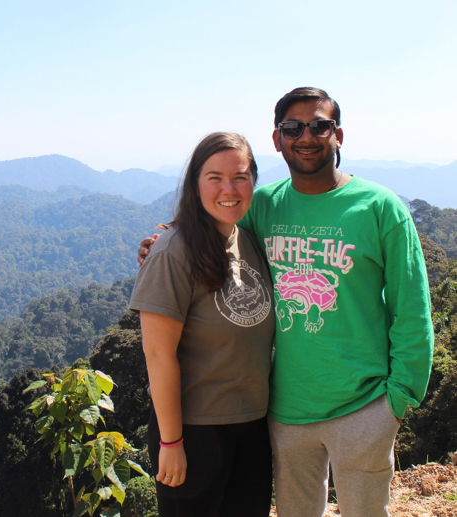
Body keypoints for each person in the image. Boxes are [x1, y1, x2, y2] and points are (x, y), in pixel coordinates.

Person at [138, 88, 434, 517]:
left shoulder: (380, 208)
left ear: (339, 135)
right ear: (278, 140)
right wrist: (160, 241)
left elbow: (412, 311)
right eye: (293, 127)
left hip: (364, 405)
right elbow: (213, 214)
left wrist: (398, 401)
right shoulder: (266, 205)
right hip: (283, 412)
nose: (307, 136)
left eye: (319, 125)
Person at [130, 132, 275, 517]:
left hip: (252, 425)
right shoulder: (173, 252)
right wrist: (171, 442)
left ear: (253, 181)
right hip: (195, 432)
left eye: (240, 176)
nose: (229, 188)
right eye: (214, 177)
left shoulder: (249, 240)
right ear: (196, 185)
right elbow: (158, 354)